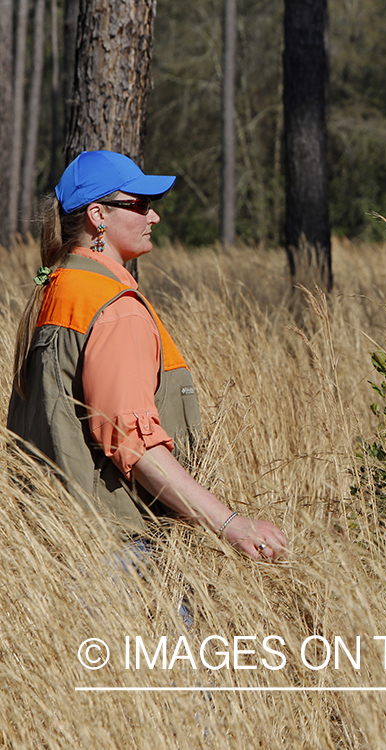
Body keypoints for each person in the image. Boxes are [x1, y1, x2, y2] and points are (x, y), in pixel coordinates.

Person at [7, 150, 289, 562]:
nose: (153, 216)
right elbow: (134, 445)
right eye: (139, 205)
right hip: (117, 549)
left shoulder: (56, 289)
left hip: (53, 542)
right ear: (98, 216)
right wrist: (232, 524)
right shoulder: (114, 307)